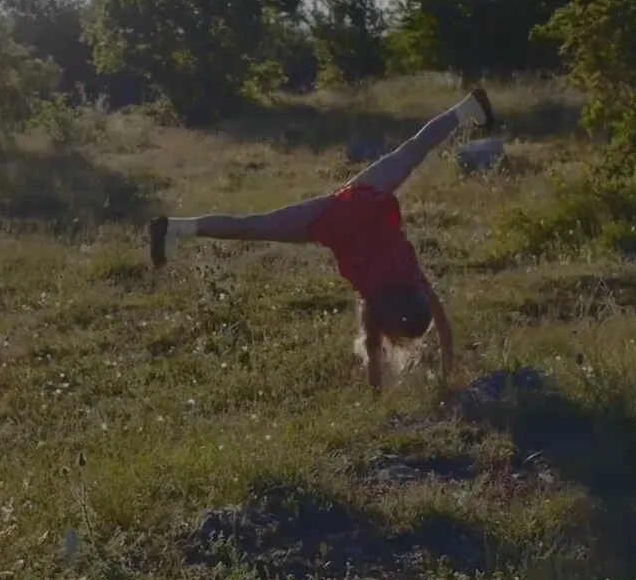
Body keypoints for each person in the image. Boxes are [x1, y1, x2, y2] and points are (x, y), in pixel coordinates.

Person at [148, 89, 496, 392]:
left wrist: (446, 372)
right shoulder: (374, 299)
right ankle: (175, 228)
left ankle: (468, 107)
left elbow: (443, 325)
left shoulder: (409, 275)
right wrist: (442, 381)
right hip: (328, 219)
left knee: (413, 150)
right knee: (252, 228)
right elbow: (379, 352)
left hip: (364, 195)